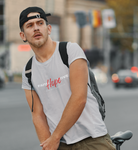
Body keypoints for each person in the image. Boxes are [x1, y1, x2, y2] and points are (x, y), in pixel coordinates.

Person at [20, 6, 115, 150]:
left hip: (92, 139)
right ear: (23, 36)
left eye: (40, 23)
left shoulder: (70, 51)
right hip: (61, 144)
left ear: (49, 29)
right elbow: (37, 115)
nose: (36, 28)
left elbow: (79, 98)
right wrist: (49, 144)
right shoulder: (28, 72)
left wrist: (55, 137)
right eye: (30, 25)